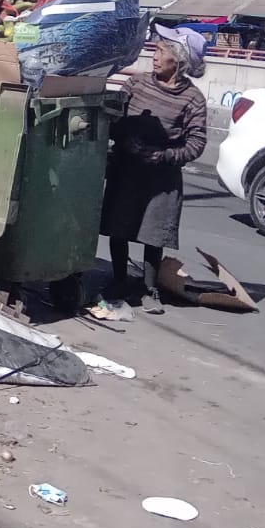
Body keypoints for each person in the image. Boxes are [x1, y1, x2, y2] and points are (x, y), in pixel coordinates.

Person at [100, 24, 209, 313]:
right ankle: (120, 280)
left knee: (153, 233)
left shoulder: (193, 99)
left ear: (179, 59)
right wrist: (122, 135)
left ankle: (150, 288)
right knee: (119, 228)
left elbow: (196, 143)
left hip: (161, 176)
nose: (155, 55)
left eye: (162, 51)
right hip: (126, 167)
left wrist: (162, 155)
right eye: (156, 49)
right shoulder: (137, 84)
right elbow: (114, 115)